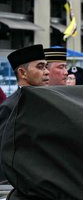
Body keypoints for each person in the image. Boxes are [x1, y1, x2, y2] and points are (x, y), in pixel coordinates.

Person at [0, 44, 49, 181]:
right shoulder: (10, 107)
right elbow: (4, 155)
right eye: (40, 67)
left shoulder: (48, 102)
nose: (46, 72)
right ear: (22, 73)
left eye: (46, 66)